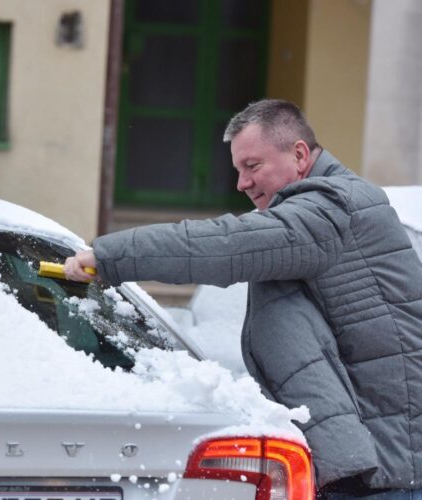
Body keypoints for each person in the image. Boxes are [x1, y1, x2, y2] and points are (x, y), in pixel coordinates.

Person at [65, 99, 422, 498]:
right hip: (383, 463)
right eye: (238, 170)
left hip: (391, 474)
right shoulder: (332, 206)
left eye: (252, 166)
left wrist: (110, 256)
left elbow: (226, 245)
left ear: (299, 155)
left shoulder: (328, 209)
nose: (242, 183)